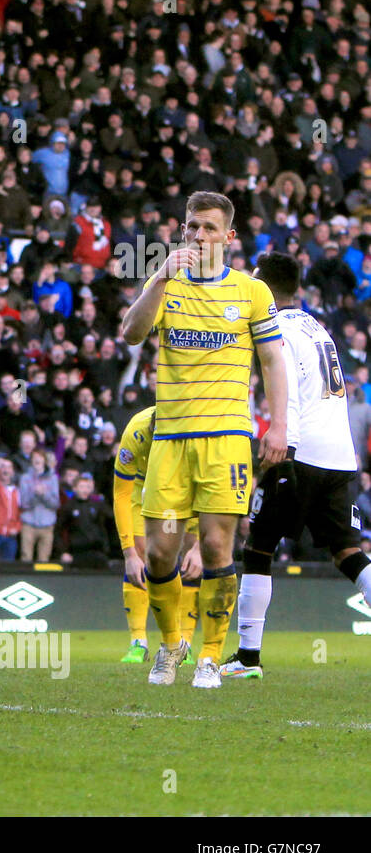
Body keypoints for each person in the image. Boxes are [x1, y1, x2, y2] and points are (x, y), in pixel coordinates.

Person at [119, 190, 289, 688]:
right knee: (160, 555)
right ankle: (171, 647)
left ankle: (211, 656)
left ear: (229, 236)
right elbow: (131, 332)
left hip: (228, 439)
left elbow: (274, 360)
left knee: (217, 547)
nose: (198, 235)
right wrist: (158, 277)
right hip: (170, 439)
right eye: (192, 226)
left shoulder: (252, 292)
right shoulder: (167, 284)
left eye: (209, 227)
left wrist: (277, 425)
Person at [225, 254, 371, 678]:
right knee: (348, 552)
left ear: (264, 288)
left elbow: (282, 380)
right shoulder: (315, 326)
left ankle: (248, 657)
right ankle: (247, 657)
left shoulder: (279, 329)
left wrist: (281, 441)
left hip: (300, 450)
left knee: (258, 545)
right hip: (340, 457)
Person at [112, 402, 202, 664]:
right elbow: (121, 493)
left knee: (190, 560)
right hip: (144, 489)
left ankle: (184, 642)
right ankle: (138, 642)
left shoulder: (193, 436)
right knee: (143, 556)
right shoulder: (136, 432)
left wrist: (199, 547)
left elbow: (208, 488)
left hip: (184, 489)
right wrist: (128, 552)